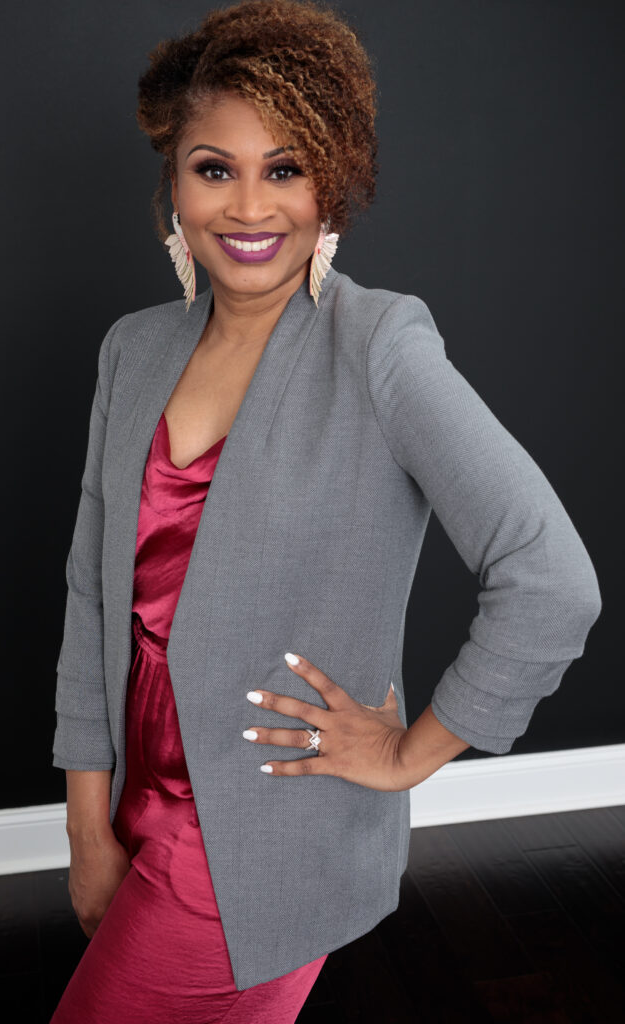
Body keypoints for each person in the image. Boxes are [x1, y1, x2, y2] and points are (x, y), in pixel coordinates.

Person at [50, 1, 602, 1021]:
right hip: (135, 792)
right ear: (171, 183)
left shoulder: (379, 344)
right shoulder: (133, 351)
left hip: (261, 831)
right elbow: (94, 595)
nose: (249, 207)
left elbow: (549, 579)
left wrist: (408, 751)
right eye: (215, 167)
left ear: (331, 183)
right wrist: (87, 824)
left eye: (286, 168)